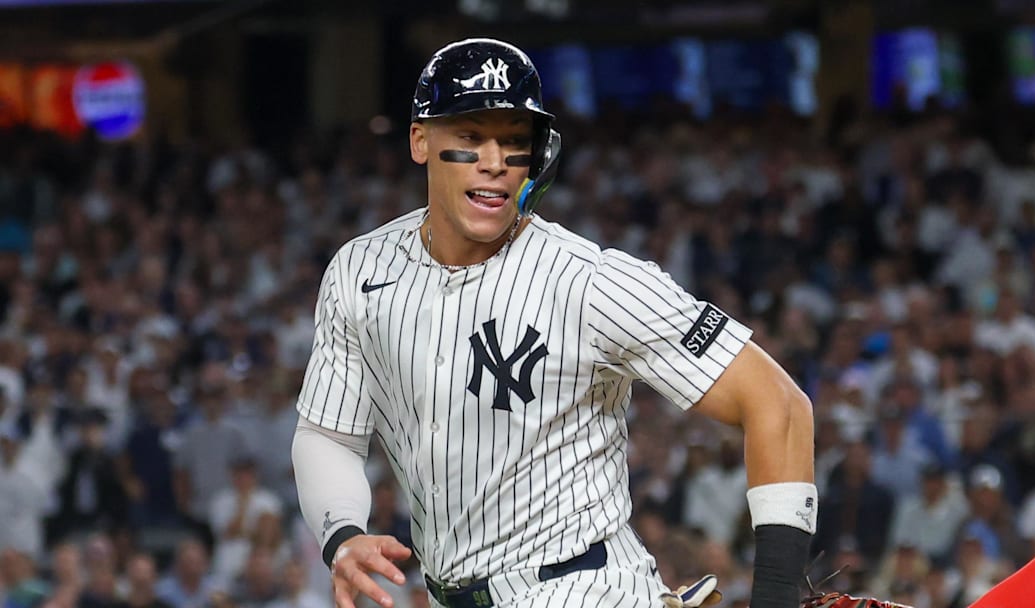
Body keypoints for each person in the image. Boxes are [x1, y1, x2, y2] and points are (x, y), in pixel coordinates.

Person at [291, 38, 815, 608]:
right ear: (421, 140)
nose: (495, 161)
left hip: (584, 588)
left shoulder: (591, 281)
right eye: (470, 137)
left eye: (514, 142)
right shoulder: (360, 270)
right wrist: (342, 533)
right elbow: (329, 433)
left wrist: (777, 597)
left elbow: (779, 404)